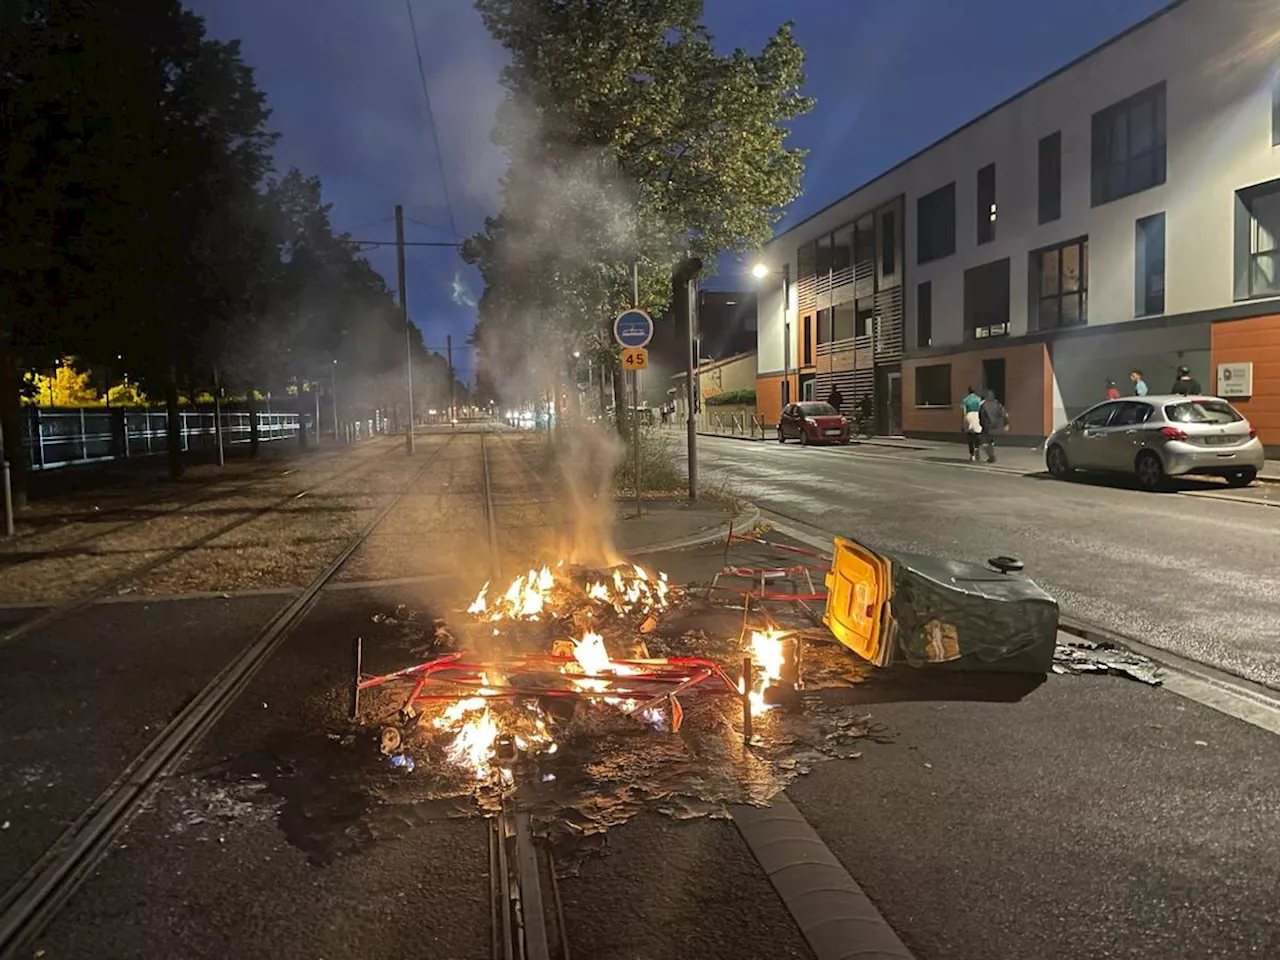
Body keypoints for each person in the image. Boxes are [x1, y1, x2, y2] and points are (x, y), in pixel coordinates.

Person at [978, 389, 1008, 464]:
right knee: (991, 442)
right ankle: (991, 456)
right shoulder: (998, 404)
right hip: (996, 426)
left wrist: (981, 425)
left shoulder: (983, 405)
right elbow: (1004, 414)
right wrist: (1006, 424)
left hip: (987, 427)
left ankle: (991, 456)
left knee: (983, 444)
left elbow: (981, 416)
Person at [961, 385, 983, 461]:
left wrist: (963, 424)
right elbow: (981, 410)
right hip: (976, 415)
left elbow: (964, 412)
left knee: (970, 436)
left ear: (968, 391)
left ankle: (972, 454)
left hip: (969, 415)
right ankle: (977, 448)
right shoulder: (978, 399)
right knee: (977, 434)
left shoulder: (965, 400)